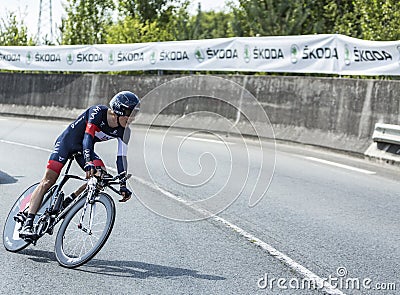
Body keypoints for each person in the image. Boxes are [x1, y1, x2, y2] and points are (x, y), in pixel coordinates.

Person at [19, 90, 140, 240]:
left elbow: (121, 158)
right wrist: (89, 162)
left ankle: (69, 201)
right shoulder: (98, 112)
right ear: (119, 111)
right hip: (68, 143)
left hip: (83, 150)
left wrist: (123, 184)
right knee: (48, 181)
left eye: (135, 115)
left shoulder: (124, 131)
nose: (132, 119)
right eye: (130, 114)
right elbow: (87, 139)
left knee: (101, 178)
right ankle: (28, 223)